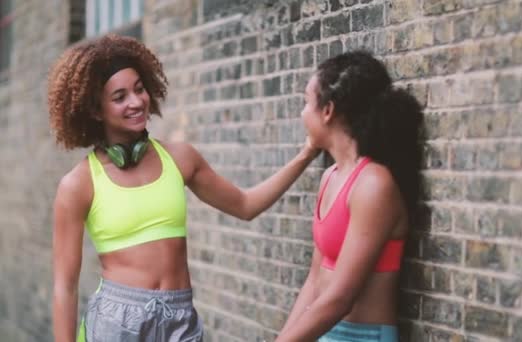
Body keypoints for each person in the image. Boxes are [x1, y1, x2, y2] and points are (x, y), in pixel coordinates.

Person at [48, 34, 319, 342]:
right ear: (96, 111)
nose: (136, 102)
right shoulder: (78, 184)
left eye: (139, 89)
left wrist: (307, 153)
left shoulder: (180, 158)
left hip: (180, 319)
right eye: (119, 97)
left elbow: (246, 205)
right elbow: (64, 286)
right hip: (117, 322)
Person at [276, 51, 424, 342]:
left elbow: (340, 298)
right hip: (321, 333)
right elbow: (315, 281)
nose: (303, 113)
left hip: (364, 337)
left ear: (327, 110)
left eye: (306, 102)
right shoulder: (330, 177)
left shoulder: (373, 184)